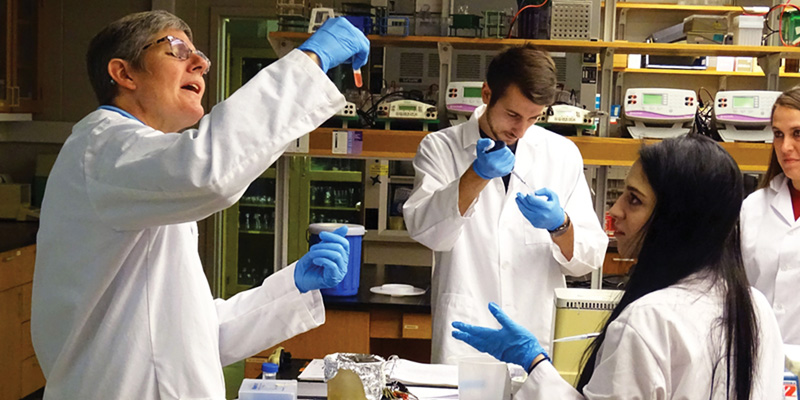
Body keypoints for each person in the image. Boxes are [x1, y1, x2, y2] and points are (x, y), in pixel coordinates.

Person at [31, 11, 369, 399]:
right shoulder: (104, 147)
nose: (201, 64)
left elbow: (191, 336)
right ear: (124, 74)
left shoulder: (141, 169)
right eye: (177, 50)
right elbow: (210, 170)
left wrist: (291, 287)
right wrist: (311, 60)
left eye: (200, 55)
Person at [452, 135, 785, 399]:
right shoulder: (755, 306)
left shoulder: (649, 319)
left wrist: (533, 362)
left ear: (676, 219)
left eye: (634, 199)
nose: (615, 209)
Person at [402, 44, 607, 364]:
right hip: (468, 332)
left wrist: (560, 225)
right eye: (512, 114)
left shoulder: (562, 153)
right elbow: (428, 232)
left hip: (535, 335)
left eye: (533, 118)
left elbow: (588, 257)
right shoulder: (440, 148)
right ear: (487, 94)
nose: (521, 129)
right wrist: (475, 176)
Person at [741, 87, 800, 345]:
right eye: (778, 134)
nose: (785, 146)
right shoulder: (753, 207)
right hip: (759, 359)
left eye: (797, 133)